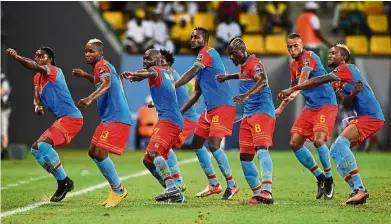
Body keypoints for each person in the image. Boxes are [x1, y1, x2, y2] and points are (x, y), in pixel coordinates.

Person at [279, 44, 385, 205]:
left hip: (371, 116)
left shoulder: (347, 68)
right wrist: (353, 93)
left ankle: (360, 189)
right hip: (364, 116)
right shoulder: (340, 81)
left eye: (333, 53)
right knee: (335, 149)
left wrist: (294, 88)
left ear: (342, 58)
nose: (329, 55)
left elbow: (319, 80)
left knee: (340, 144)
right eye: (329, 53)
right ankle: (356, 190)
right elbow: (347, 102)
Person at [6, 47, 83, 202]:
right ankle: (63, 180)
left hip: (71, 118)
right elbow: (36, 96)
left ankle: (63, 182)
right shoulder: (37, 78)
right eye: (36, 56)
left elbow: (33, 65)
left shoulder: (53, 70)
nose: (37, 58)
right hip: (61, 119)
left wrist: (17, 57)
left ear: (50, 59)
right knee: (35, 150)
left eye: (41, 56)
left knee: (44, 146)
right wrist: (37, 105)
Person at [174, 27, 239, 200]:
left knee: (214, 145)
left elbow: (191, 72)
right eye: (191, 37)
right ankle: (213, 184)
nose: (192, 39)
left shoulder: (208, 52)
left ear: (205, 40)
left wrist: (172, 86)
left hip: (223, 106)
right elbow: (196, 93)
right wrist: (180, 112)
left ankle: (232, 185)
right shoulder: (202, 66)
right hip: (210, 110)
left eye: (196, 37)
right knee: (196, 143)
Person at [275, 33, 337, 200]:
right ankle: (320, 177)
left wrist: (293, 92)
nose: (292, 49)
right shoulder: (292, 66)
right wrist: (279, 109)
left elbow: (301, 83)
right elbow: (293, 87)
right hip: (311, 105)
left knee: (318, 140)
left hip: (326, 103)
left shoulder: (309, 57)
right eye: (289, 47)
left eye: (295, 46)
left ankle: (330, 178)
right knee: (294, 143)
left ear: (301, 45)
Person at [72, 39, 131, 208]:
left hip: (116, 117)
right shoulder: (100, 69)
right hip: (108, 118)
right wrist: (85, 75)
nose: (88, 54)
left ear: (101, 53)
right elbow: (100, 81)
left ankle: (118, 190)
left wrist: (89, 99)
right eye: (86, 51)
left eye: (91, 51)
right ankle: (116, 189)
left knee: (100, 154)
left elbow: (106, 83)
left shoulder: (102, 65)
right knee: (92, 152)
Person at [216, 37, 275, 204]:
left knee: (262, 149)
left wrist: (246, 95)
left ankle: (267, 191)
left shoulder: (255, 63)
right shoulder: (244, 66)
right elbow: (243, 75)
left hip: (261, 112)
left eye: (233, 54)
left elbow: (262, 80)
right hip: (248, 115)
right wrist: (227, 78)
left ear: (242, 51)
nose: (231, 58)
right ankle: (258, 194)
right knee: (245, 157)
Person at [121, 49, 185, 203]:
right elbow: (149, 75)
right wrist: (138, 76)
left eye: (148, 58)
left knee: (153, 153)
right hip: (170, 119)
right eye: (143, 58)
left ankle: (172, 187)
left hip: (169, 120)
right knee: (148, 160)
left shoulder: (155, 70)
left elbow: (149, 73)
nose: (145, 61)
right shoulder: (165, 71)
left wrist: (134, 74)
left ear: (157, 59)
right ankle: (173, 191)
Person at [160, 49, 199, 190]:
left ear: (168, 63)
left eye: (161, 61)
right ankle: (177, 180)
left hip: (186, 118)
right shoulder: (169, 74)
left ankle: (178, 181)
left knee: (165, 146)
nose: (158, 63)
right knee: (164, 147)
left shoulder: (169, 75)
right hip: (180, 117)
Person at [1, 72, 11, 158]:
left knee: (3, 130)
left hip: (3, 109)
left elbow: (3, 92)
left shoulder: (3, 80)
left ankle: (3, 150)